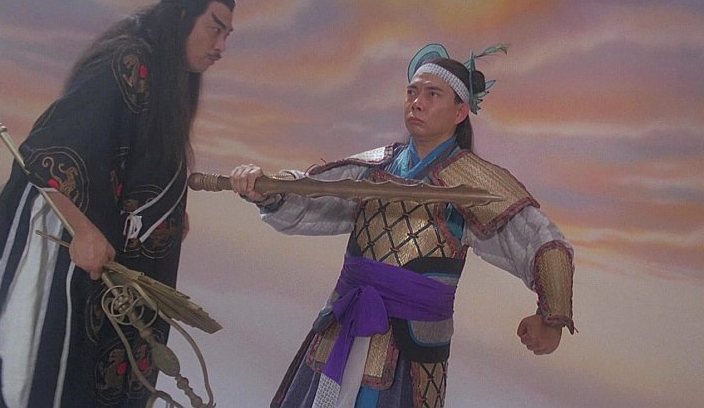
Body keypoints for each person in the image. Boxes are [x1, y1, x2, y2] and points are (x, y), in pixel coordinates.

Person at [229, 44, 576, 408]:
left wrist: (551, 318)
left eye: (432, 94)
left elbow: (544, 243)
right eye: (412, 92)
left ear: (460, 111)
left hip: (411, 355)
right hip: (341, 328)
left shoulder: (477, 184)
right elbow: (312, 192)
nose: (417, 103)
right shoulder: (375, 167)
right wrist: (267, 189)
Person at [0, 0, 235, 408]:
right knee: (57, 375)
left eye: (228, 35)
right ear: (181, 17)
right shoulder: (126, 62)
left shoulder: (169, 76)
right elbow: (48, 152)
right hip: (80, 252)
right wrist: (82, 230)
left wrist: (167, 212)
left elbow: (141, 161)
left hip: (124, 263)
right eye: (215, 28)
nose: (221, 46)